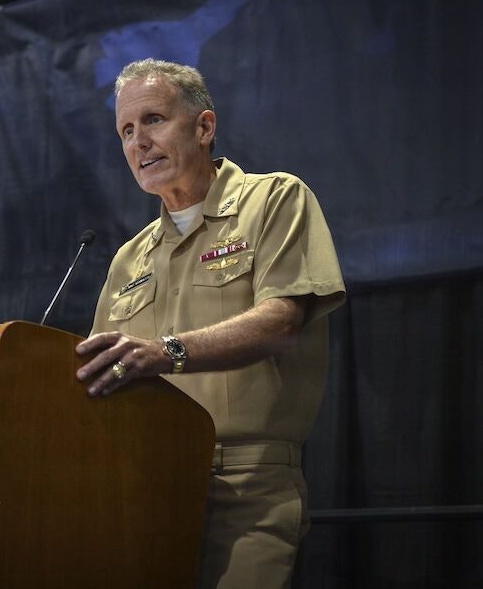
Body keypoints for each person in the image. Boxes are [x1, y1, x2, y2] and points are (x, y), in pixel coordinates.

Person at [75, 58, 345, 589]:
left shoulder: (276, 200)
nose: (138, 143)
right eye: (126, 132)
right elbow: (102, 374)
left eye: (153, 120)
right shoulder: (128, 259)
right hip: (145, 487)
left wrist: (166, 352)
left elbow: (281, 322)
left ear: (204, 127)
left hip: (249, 484)